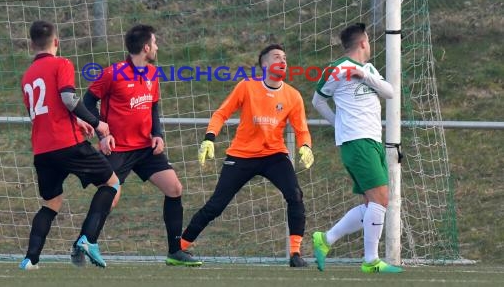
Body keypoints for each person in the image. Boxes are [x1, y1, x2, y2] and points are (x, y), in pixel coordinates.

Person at [180, 44, 315, 267]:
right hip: (241, 155)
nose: (282, 61)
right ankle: (180, 248)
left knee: (295, 195)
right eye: (276, 57)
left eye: (284, 57)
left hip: (274, 155)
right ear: (264, 65)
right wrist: (209, 138)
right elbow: (221, 113)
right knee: (216, 205)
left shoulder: (293, 95)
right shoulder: (247, 86)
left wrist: (306, 146)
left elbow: (302, 129)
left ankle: (295, 254)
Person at [83, 24, 202, 266]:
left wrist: (157, 133)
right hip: (119, 148)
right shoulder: (112, 73)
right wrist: (101, 133)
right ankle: (84, 242)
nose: (157, 47)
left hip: (146, 149)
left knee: (174, 188)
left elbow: (153, 106)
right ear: (146, 47)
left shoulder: (152, 73)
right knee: (111, 195)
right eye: (155, 43)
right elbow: (87, 103)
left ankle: (175, 252)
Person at [19, 20, 119, 270]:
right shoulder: (61, 63)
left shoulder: (27, 76)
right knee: (112, 183)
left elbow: (50, 108)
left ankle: (30, 259)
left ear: (32, 44)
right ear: (57, 42)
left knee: (51, 203)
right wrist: (97, 123)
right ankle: (87, 239)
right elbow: (67, 97)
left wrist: (76, 119)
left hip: (42, 150)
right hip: (67, 144)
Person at [311, 22, 403, 273]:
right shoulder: (336, 69)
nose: (370, 44)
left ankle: (325, 239)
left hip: (372, 139)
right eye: (369, 40)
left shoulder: (368, 69)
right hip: (356, 140)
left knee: (371, 204)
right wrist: (337, 124)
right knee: (381, 199)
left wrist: (365, 76)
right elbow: (318, 100)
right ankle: (371, 260)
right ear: (363, 42)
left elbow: (390, 92)